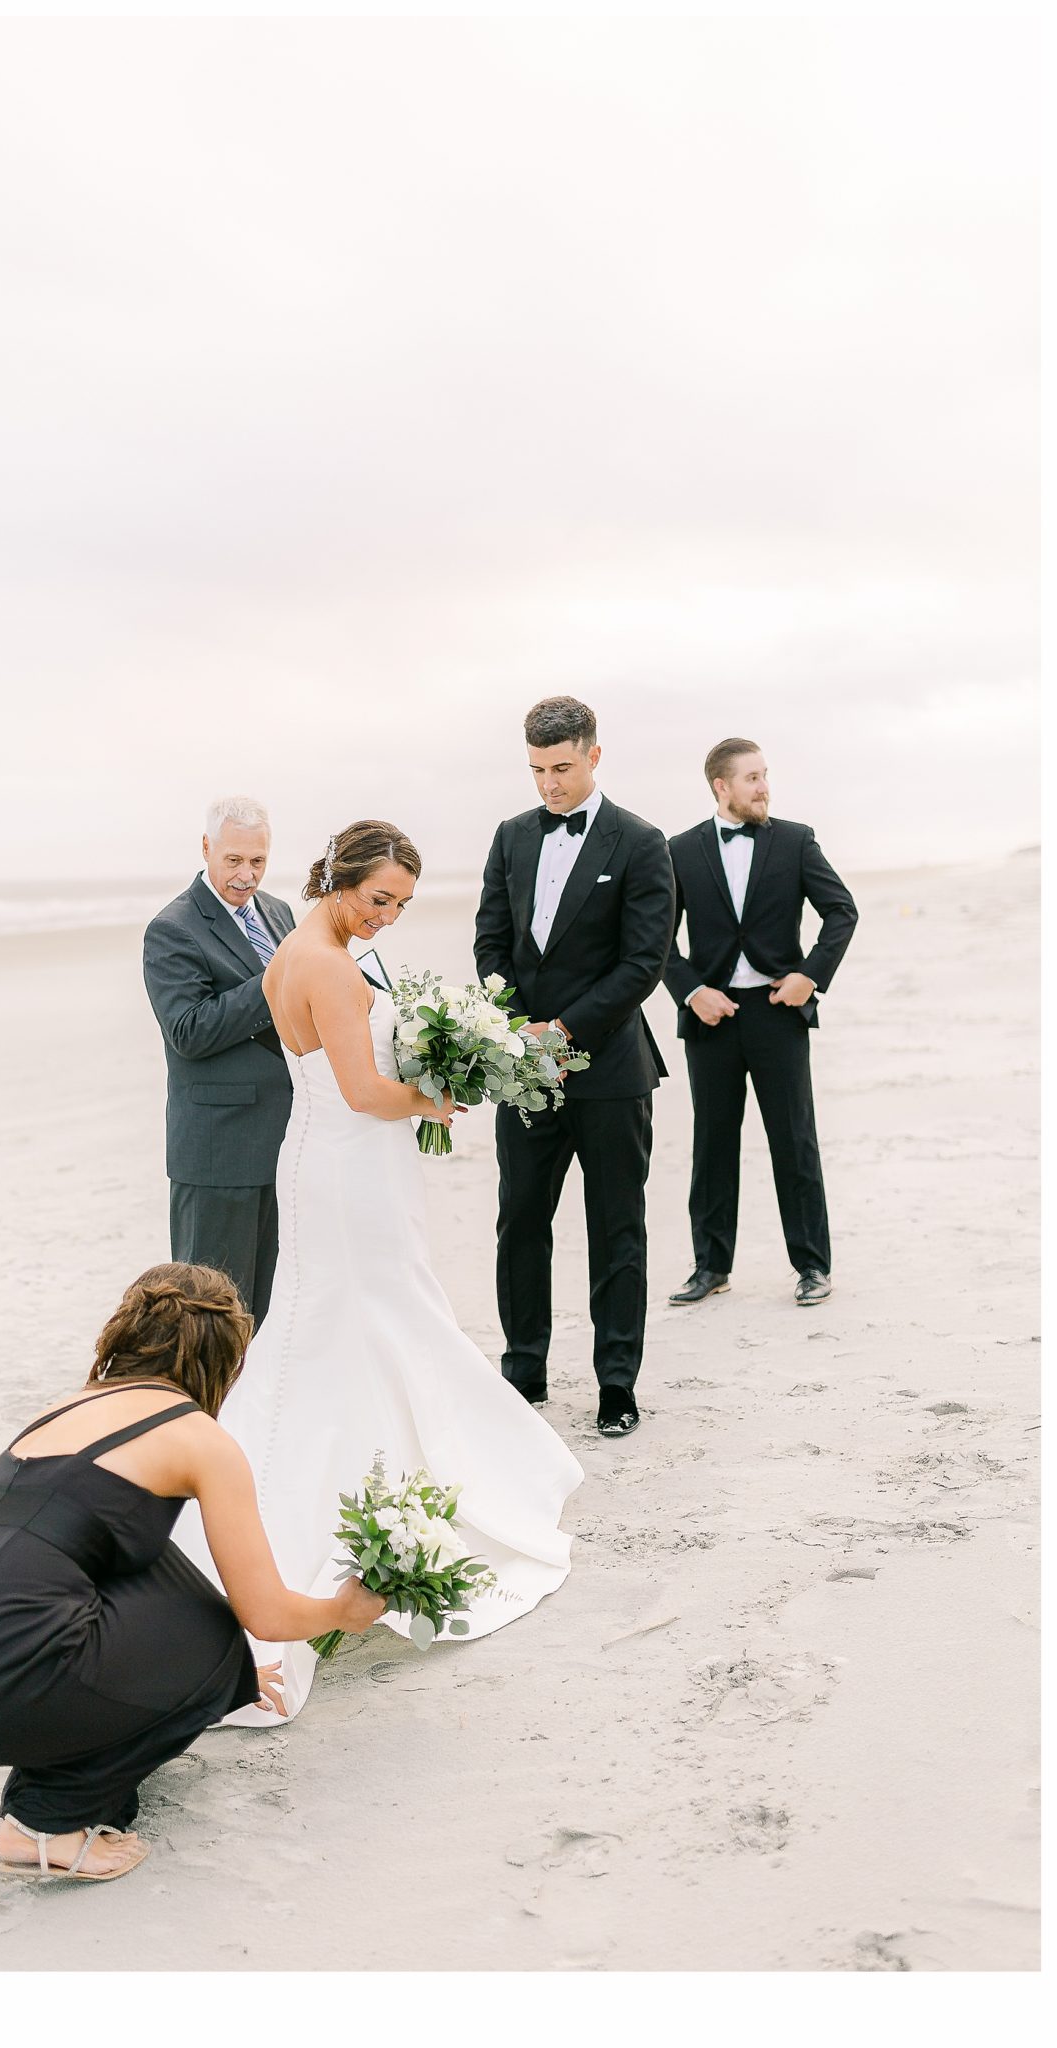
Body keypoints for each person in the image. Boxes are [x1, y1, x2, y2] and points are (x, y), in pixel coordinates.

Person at [173, 819, 582, 1723]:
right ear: (338, 878)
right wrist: (451, 1090)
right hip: (349, 1161)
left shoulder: (301, 943)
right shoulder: (319, 961)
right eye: (378, 898)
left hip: (337, 1160)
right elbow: (363, 1090)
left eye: (400, 904)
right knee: (384, 1317)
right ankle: (361, 1500)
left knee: (349, 1327)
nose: (388, 917)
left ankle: (392, 1468)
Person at [0, 1264, 384, 1884]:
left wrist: (232, 1680)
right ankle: (46, 1822)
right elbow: (267, 1615)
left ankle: (159, 1707)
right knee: (215, 1638)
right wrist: (345, 1613)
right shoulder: (197, 1438)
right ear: (225, 1358)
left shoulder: (67, 1406)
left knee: (141, 1562)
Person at [474, 697, 676, 1440]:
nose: (548, 785)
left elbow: (642, 962)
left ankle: (616, 1383)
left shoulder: (641, 842)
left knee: (616, 1228)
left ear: (594, 755)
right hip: (524, 1067)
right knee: (520, 1220)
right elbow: (491, 942)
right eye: (536, 770)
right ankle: (522, 1370)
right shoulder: (510, 837)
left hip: (611, 1068)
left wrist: (566, 1029)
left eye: (561, 768)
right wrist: (521, 1027)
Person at [663, 737, 859, 1308]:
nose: (764, 786)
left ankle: (812, 1266)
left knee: (794, 1141)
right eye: (752, 778)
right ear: (721, 787)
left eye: (765, 775)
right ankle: (710, 1267)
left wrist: (809, 976)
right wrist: (692, 990)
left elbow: (841, 912)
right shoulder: (679, 850)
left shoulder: (796, 841)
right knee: (713, 1143)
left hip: (779, 1013)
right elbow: (653, 938)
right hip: (712, 1017)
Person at [143, 797, 296, 1328]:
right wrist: (273, 982)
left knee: (268, 1310)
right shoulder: (173, 928)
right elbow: (188, 1031)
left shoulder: (278, 913)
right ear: (207, 848)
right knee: (209, 1316)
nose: (246, 875)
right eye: (233, 860)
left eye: (258, 861)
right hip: (217, 1147)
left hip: (282, 1137)